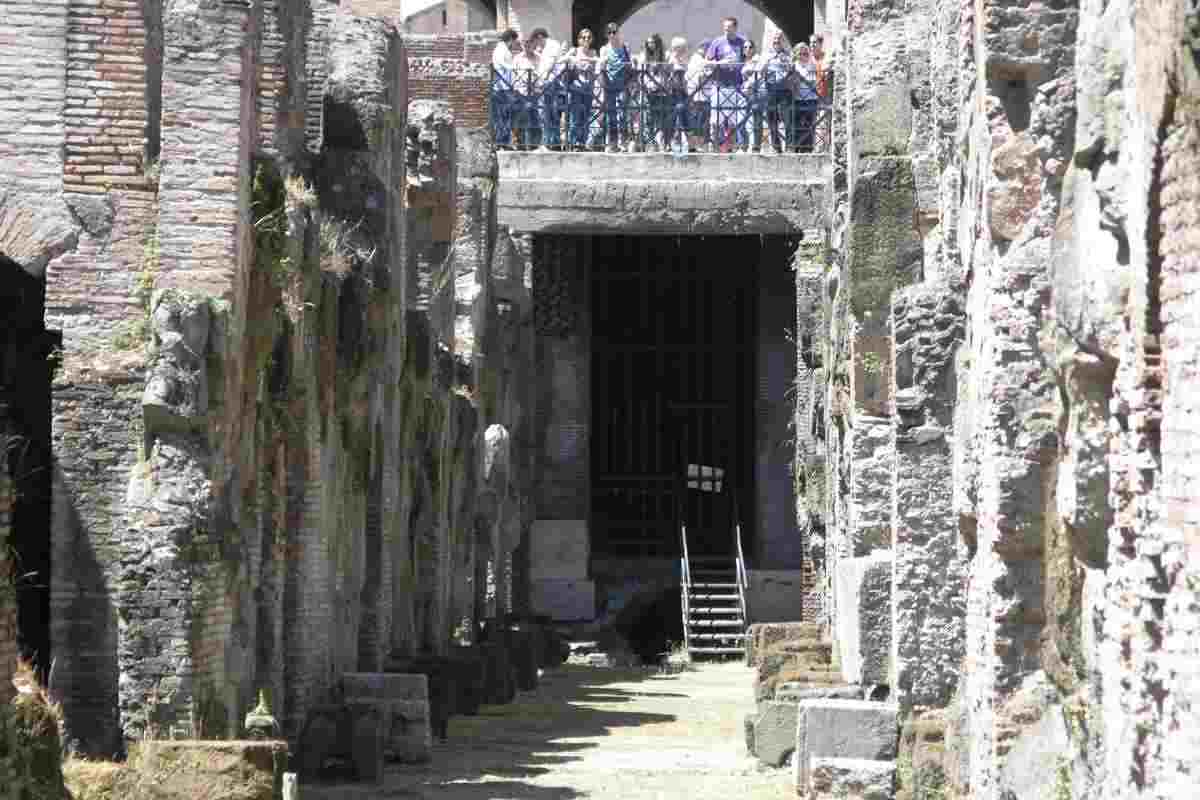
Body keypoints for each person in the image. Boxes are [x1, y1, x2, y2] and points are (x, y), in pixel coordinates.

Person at [743, 29, 793, 153]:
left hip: (785, 90)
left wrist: (786, 63)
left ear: (783, 41)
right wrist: (766, 63)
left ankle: (790, 147)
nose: (777, 42)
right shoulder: (766, 55)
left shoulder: (788, 54)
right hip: (770, 90)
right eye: (775, 40)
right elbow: (760, 71)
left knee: (788, 120)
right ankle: (777, 147)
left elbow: (792, 70)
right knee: (772, 121)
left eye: (779, 40)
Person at [704, 17, 748, 151]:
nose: (726, 30)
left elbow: (749, 59)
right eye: (724, 27)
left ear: (735, 28)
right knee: (717, 119)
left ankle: (733, 146)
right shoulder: (717, 42)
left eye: (729, 27)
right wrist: (720, 63)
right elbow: (707, 62)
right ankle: (717, 145)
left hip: (737, 85)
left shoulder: (742, 42)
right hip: (720, 85)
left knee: (735, 119)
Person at [599, 22, 633, 153]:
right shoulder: (604, 49)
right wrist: (603, 63)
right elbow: (601, 67)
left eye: (614, 31)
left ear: (619, 32)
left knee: (623, 114)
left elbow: (630, 65)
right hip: (610, 86)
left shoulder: (625, 48)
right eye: (609, 32)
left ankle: (624, 142)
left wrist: (630, 65)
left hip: (623, 84)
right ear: (607, 35)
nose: (612, 34)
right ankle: (612, 143)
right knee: (611, 115)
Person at [512, 28, 548, 148]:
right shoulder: (517, 59)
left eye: (529, 42)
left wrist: (538, 85)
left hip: (536, 92)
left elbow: (542, 73)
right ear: (522, 44)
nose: (527, 45)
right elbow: (513, 76)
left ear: (533, 43)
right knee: (522, 118)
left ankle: (534, 144)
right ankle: (521, 144)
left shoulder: (539, 58)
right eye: (525, 42)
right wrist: (516, 89)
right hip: (521, 92)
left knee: (535, 118)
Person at [565, 29, 599, 150]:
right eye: (583, 37)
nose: (586, 39)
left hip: (588, 89)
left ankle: (582, 142)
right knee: (575, 117)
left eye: (588, 37)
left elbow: (599, 64)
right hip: (576, 89)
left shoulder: (593, 52)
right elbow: (563, 60)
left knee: (585, 117)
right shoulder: (574, 51)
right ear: (579, 39)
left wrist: (589, 60)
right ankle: (572, 142)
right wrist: (571, 58)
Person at [634, 34, 668, 151]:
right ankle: (650, 143)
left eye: (653, 42)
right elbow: (640, 74)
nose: (650, 45)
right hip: (647, 91)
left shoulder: (664, 56)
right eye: (648, 43)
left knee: (659, 117)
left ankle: (660, 142)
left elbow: (666, 73)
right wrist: (645, 85)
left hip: (660, 91)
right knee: (647, 118)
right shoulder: (643, 56)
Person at [491, 30, 521, 148]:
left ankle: (504, 141)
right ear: (511, 39)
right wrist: (515, 68)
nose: (515, 44)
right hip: (501, 87)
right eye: (515, 41)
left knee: (506, 115)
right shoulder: (500, 50)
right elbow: (502, 64)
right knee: (501, 115)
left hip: (506, 86)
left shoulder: (504, 49)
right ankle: (501, 142)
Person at [790, 42, 819, 152]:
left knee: (810, 125)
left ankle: (808, 148)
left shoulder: (812, 65)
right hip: (797, 99)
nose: (803, 56)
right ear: (797, 54)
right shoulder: (793, 65)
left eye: (806, 53)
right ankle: (797, 147)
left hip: (811, 99)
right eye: (801, 54)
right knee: (797, 125)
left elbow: (816, 80)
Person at [664, 36, 691, 154]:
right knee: (672, 118)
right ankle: (668, 143)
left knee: (685, 117)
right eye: (680, 48)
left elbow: (687, 76)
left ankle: (689, 144)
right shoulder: (669, 58)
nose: (682, 51)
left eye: (683, 48)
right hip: (672, 92)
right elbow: (666, 73)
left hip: (683, 92)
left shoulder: (685, 60)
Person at [686, 39, 712, 151]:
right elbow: (701, 75)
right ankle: (699, 144)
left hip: (699, 95)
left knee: (700, 120)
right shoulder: (698, 59)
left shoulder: (696, 59)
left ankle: (698, 144)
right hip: (700, 95)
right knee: (700, 121)